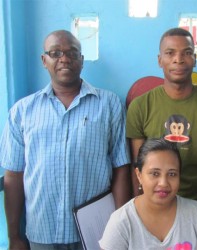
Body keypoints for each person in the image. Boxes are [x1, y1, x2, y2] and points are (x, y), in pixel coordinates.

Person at [0, 30, 130, 250]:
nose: (64, 58)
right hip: (42, 232)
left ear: (81, 60)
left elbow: (121, 169)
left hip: (97, 233)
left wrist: (120, 228)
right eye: (55, 52)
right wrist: (14, 235)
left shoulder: (109, 104)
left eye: (72, 52)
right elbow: (13, 176)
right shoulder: (22, 112)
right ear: (44, 60)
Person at [126, 28, 197, 225]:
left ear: (195, 59)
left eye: (186, 53)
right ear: (160, 60)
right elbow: (138, 169)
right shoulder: (141, 106)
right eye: (170, 53)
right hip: (155, 214)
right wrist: (138, 216)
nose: (178, 59)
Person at [99, 138, 197, 250]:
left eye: (172, 174)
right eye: (155, 173)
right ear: (139, 175)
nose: (163, 183)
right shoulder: (121, 222)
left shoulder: (196, 214)